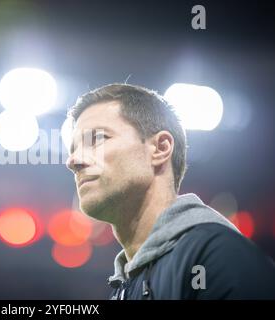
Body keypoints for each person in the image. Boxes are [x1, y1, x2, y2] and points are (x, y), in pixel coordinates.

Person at [65, 83, 275, 299]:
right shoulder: (124, 289)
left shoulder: (217, 257)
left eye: (98, 139)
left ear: (160, 148)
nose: (72, 161)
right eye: (73, 149)